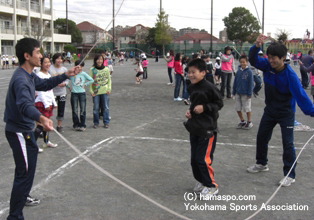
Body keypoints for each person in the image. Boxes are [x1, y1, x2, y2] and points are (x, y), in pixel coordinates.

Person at [4, 37, 77, 220]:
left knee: (26, 171)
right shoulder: (21, 79)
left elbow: (44, 84)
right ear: (27, 55)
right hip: (18, 132)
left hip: (26, 130)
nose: (41, 55)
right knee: (24, 173)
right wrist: (42, 117)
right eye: (38, 52)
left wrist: (66, 75)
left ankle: (22, 198)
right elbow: (24, 105)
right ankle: (14, 217)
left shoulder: (29, 74)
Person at [247, 34, 314, 186]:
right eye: (269, 57)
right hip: (270, 111)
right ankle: (261, 163)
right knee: (262, 137)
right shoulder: (267, 65)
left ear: (283, 57)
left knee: (287, 143)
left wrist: (312, 112)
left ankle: (289, 174)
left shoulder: (290, 76)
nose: (271, 60)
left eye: (274, 58)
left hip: (286, 113)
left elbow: (302, 97)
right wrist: (256, 46)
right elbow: (253, 60)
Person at [184, 58, 224, 198]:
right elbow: (194, 103)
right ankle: (201, 180)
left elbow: (219, 103)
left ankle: (211, 186)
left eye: (194, 72)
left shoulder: (210, 87)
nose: (190, 75)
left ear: (203, 72)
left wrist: (205, 108)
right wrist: (190, 112)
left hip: (207, 130)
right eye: (189, 72)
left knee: (203, 159)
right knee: (194, 159)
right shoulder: (191, 86)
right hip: (195, 127)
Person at [34, 56, 58, 153]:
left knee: (47, 124)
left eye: (49, 62)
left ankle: (46, 141)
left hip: (48, 103)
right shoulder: (39, 75)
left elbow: (50, 90)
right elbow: (40, 91)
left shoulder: (48, 74)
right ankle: (33, 144)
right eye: (45, 62)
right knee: (40, 124)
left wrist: (54, 102)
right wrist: (45, 103)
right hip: (41, 103)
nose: (48, 64)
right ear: (41, 64)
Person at [68, 60, 94, 131]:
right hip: (74, 93)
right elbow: (65, 80)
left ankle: (82, 124)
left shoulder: (84, 74)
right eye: (78, 66)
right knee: (75, 110)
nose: (79, 68)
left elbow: (91, 80)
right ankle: (76, 124)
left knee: (82, 109)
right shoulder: (72, 74)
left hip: (82, 93)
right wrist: (68, 87)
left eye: (81, 66)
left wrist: (85, 84)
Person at [231, 55, 254, 129]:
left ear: (247, 62)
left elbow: (251, 83)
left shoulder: (249, 72)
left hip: (246, 93)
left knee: (247, 108)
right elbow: (235, 82)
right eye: (241, 62)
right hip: (238, 92)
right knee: (238, 108)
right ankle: (242, 120)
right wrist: (233, 92)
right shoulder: (238, 71)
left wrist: (249, 93)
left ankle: (249, 121)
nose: (242, 63)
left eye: (244, 62)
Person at [89, 54, 111, 129]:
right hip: (96, 91)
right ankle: (96, 122)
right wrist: (91, 90)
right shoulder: (92, 69)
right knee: (96, 108)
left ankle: (106, 122)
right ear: (95, 60)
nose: (99, 61)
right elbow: (90, 81)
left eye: (101, 59)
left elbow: (109, 80)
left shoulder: (106, 69)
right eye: (98, 59)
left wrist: (109, 88)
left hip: (105, 91)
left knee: (106, 107)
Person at [49, 53, 68, 133]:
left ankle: (59, 125)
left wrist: (65, 84)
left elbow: (68, 79)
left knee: (61, 109)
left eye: (61, 59)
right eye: (57, 58)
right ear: (54, 59)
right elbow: (47, 78)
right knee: (49, 109)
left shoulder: (64, 69)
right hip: (52, 93)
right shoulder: (50, 69)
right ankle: (48, 124)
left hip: (62, 92)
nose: (59, 60)